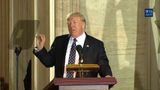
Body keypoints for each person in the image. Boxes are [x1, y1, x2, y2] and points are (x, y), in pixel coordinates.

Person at [33, 12, 112, 78]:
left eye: (74, 22)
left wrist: (107, 76)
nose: (71, 25)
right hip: (62, 87)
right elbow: (49, 62)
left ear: (83, 25)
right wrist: (40, 48)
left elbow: (103, 65)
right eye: (69, 23)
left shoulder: (96, 45)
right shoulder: (60, 41)